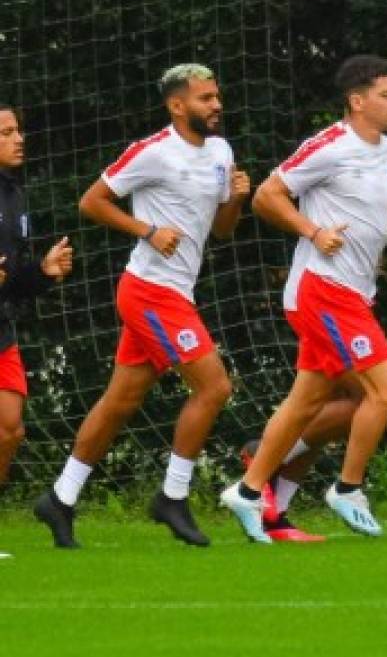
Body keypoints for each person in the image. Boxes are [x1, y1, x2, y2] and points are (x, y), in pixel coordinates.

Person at [220, 54, 387, 542]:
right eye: (386, 94)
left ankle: (246, 493)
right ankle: (348, 489)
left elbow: (381, 219)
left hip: (354, 292)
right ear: (357, 101)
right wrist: (312, 231)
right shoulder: (329, 145)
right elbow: (268, 195)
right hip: (323, 291)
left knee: (306, 399)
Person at [34, 64, 250, 549]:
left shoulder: (220, 151)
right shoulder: (153, 152)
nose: (216, 105)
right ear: (177, 106)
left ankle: (60, 498)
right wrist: (148, 231)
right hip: (151, 291)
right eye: (204, 98)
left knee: (120, 402)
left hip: (176, 292)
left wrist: (237, 199)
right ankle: (172, 496)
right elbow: (92, 202)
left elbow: (222, 230)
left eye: (217, 96)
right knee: (214, 387)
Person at [0, 103, 73, 487]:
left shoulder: (14, 195)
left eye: (18, 131)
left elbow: (10, 278)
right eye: (6, 133)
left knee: (10, 430)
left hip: (1, 330)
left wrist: (43, 272)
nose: (18, 139)